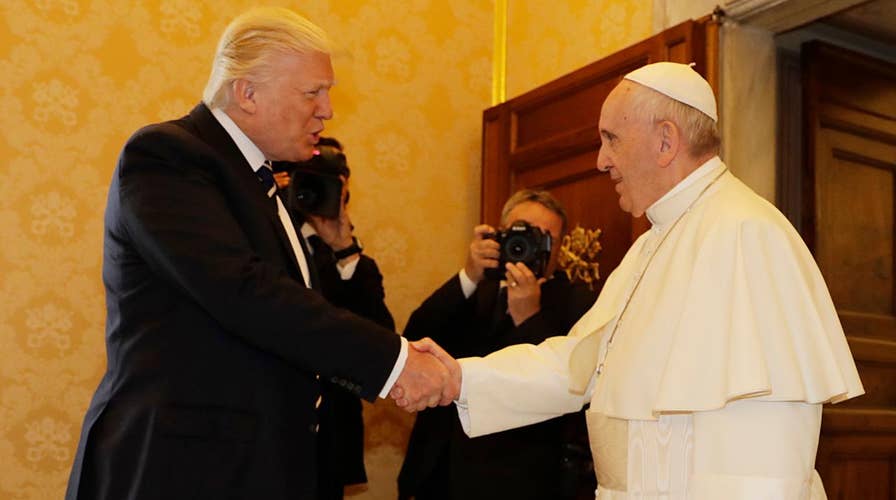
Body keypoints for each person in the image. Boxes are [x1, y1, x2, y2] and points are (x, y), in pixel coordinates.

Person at [402, 62, 864, 499]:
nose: (602, 160)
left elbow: (767, 456)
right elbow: (575, 366)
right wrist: (458, 378)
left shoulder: (745, 232)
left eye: (612, 139)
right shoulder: (651, 243)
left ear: (666, 141)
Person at [65, 8, 453, 500]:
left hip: (252, 467)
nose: (328, 109)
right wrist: (396, 363)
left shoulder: (260, 182)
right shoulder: (167, 156)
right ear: (247, 93)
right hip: (178, 470)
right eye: (313, 92)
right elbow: (245, 293)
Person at [397, 189, 599, 500]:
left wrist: (529, 320)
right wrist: (468, 275)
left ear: (558, 248)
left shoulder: (579, 302)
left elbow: (566, 383)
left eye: (543, 237)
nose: (526, 244)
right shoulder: (476, 288)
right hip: (439, 474)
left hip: (519, 480)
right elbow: (415, 338)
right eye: (520, 231)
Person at [274, 137, 395, 499]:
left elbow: (380, 337)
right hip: (270, 430)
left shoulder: (353, 262)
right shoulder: (264, 241)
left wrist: (343, 247)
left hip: (330, 437)